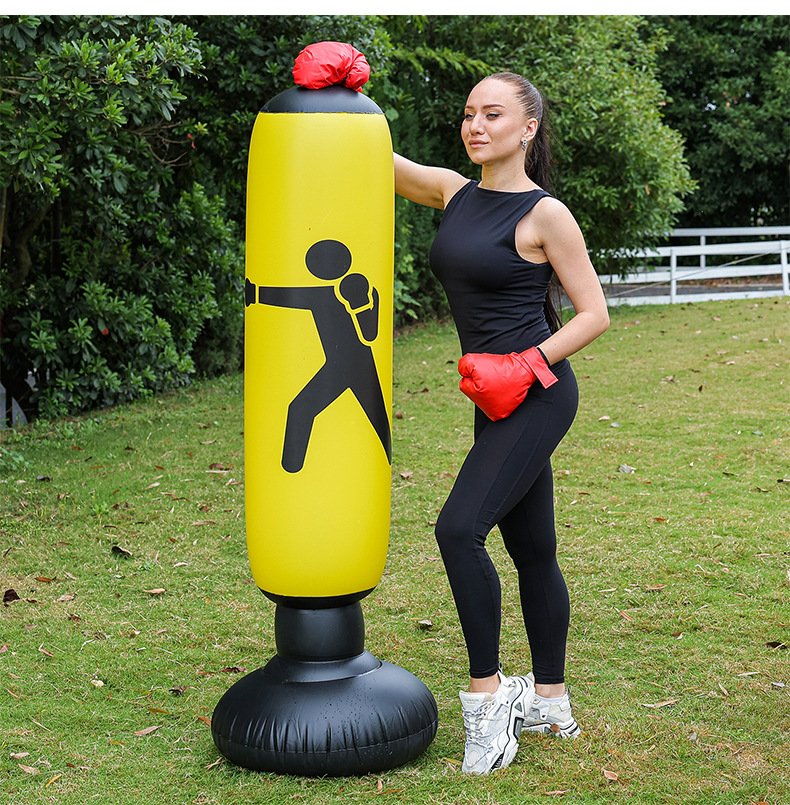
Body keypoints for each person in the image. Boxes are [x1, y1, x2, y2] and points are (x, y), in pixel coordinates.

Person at [394, 72, 610, 775]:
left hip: (537, 393)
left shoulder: (547, 215)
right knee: (533, 546)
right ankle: (550, 699)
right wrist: (338, 96)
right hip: (490, 399)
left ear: (527, 129)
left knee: (458, 530)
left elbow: (594, 313)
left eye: (492, 114)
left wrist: (526, 363)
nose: (475, 126)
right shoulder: (452, 192)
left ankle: (490, 700)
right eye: (468, 114)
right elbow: (371, 156)